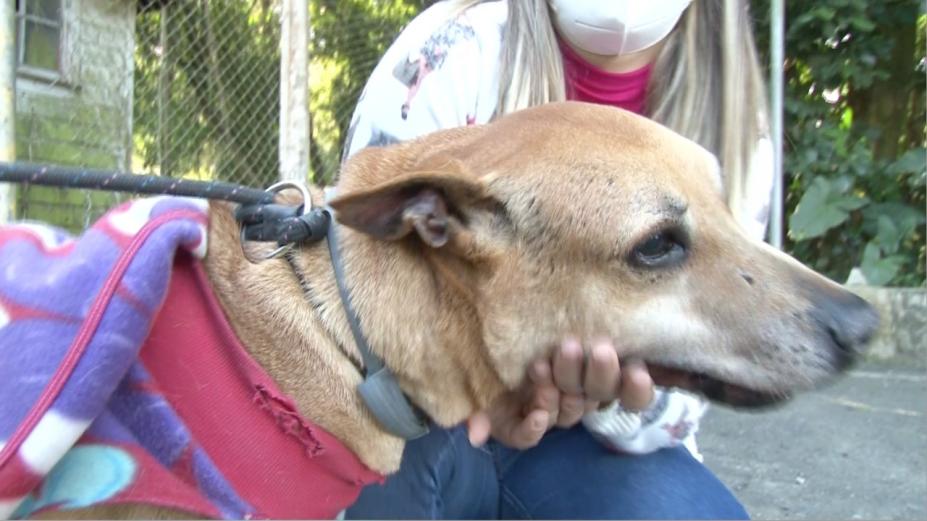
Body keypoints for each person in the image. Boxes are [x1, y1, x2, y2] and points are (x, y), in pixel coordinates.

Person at [341, 0, 774, 518]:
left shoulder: (741, 126)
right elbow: (363, 293)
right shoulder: (446, 53)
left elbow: (680, 410)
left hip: (595, 446)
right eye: (656, 243)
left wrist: (599, 399)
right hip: (429, 422)